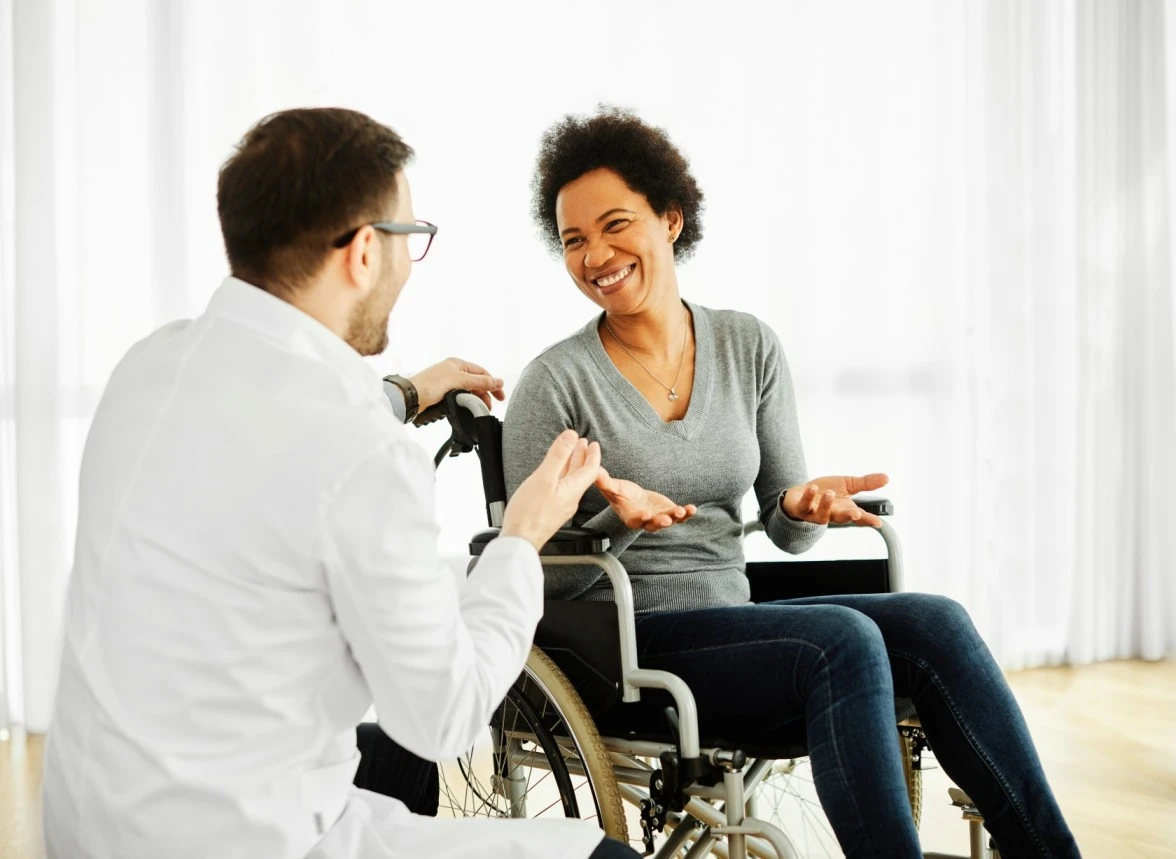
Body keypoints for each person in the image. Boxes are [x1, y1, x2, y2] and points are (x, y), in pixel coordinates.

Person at [41, 107, 644, 859]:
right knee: (601, 854)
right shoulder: (360, 451)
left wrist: (402, 394)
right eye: (409, 237)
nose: (408, 263)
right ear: (364, 250)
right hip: (245, 843)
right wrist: (522, 535)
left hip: (91, 824)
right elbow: (446, 716)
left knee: (388, 761)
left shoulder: (149, 365)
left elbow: (273, 430)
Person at [502, 106, 1082, 858]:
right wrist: (619, 520)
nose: (596, 255)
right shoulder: (556, 383)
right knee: (841, 641)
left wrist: (803, 507)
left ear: (671, 219)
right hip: (628, 648)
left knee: (936, 622)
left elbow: (783, 526)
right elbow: (534, 573)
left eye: (616, 225)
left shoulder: (747, 345)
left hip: (737, 619)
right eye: (574, 240)